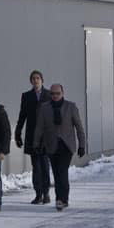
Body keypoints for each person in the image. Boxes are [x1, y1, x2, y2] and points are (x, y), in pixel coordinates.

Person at [32, 83, 86, 211]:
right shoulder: (45, 108)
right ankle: (61, 199)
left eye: (57, 93)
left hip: (66, 146)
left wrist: (82, 145)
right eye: (52, 93)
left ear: (62, 93)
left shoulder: (70, 107)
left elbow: (79, 127)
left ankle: (61, 199)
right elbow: (39, 127)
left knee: (62, 171)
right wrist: (36, 144)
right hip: (51, 145)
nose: (55, 96)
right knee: (57, 173)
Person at [15, 69, 51, 204]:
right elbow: (22, 115)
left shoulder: (48, 95)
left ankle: (46, 192)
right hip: (32, 136)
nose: (36, 81)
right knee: (36, 166)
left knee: (45, 165)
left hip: (46, 136)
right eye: (33, 79)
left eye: (38, 78)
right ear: (31, 81)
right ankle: (38, 194)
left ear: (42, 80)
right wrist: (18, 133)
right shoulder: (26, 96)